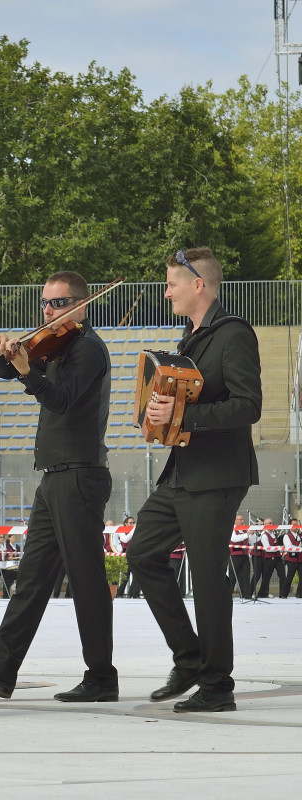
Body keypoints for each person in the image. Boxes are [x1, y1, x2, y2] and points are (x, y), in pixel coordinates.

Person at [0, 270, 118, 704]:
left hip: (79, 475)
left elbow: (61, 399)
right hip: (55, 477)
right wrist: (1, 354)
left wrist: (27, 370)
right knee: (31, 578)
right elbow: (7, 370)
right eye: (45, 302)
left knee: (86, 580)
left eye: (58, 303)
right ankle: (2, 668)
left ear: (80, 305)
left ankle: (101, 677)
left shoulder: (87, 348)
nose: (48, 311)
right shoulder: (59, 345)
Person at [127, 246, 261, 713]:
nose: (167, 293)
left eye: (172, 285)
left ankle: (217, 685)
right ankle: (188, 659)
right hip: (183, 472)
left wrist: (183, 415)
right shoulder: (189, 339)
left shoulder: (234, 334)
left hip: (217, 474)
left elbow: (248, 406)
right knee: (142, 553)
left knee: (206, 579)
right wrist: (159, 415)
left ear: (198, 285)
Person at [254, 518, 285, 599]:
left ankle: (283, 594)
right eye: (269, 523)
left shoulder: (274, 534)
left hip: (278, 557)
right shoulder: (264, 535)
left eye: (272, 523)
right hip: (269, 558)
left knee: (282, 575)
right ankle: (261, 593)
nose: (272, 524)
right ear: (265, 525)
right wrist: (279, 547)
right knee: (266, 577)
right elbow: (267, 548)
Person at [229, 514, 253, 599]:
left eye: (242, 519)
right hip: (235, 555)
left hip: (245, 555)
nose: (242, 521)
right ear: (235, 520)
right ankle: (228, 594)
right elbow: (234, 539)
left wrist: (250, 546)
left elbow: (250, 541)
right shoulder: (232, 529)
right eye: (240, 519)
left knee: (245, 575)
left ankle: (246, 594)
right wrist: (247, 534)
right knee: (232, 576)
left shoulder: (244, 529)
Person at [283, 519, 302, 598]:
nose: (296, 526)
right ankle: (284, 594)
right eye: (294, 524)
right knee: (289, 577)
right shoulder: (287, 536)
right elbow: (289, 547)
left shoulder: (300, 535)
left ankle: (299, 594)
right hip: (291, 559)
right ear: (290, 525)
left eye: (297, 524)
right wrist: (299, 547)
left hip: (300, 559)